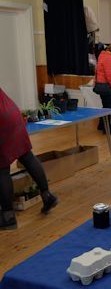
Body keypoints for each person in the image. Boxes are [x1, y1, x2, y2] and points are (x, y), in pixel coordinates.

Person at [0, 88, 58, 230]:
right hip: (12, 114)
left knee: (1, 169)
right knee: (27, 156)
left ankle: (8, 217)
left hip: (1, 121)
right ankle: (47, 195)